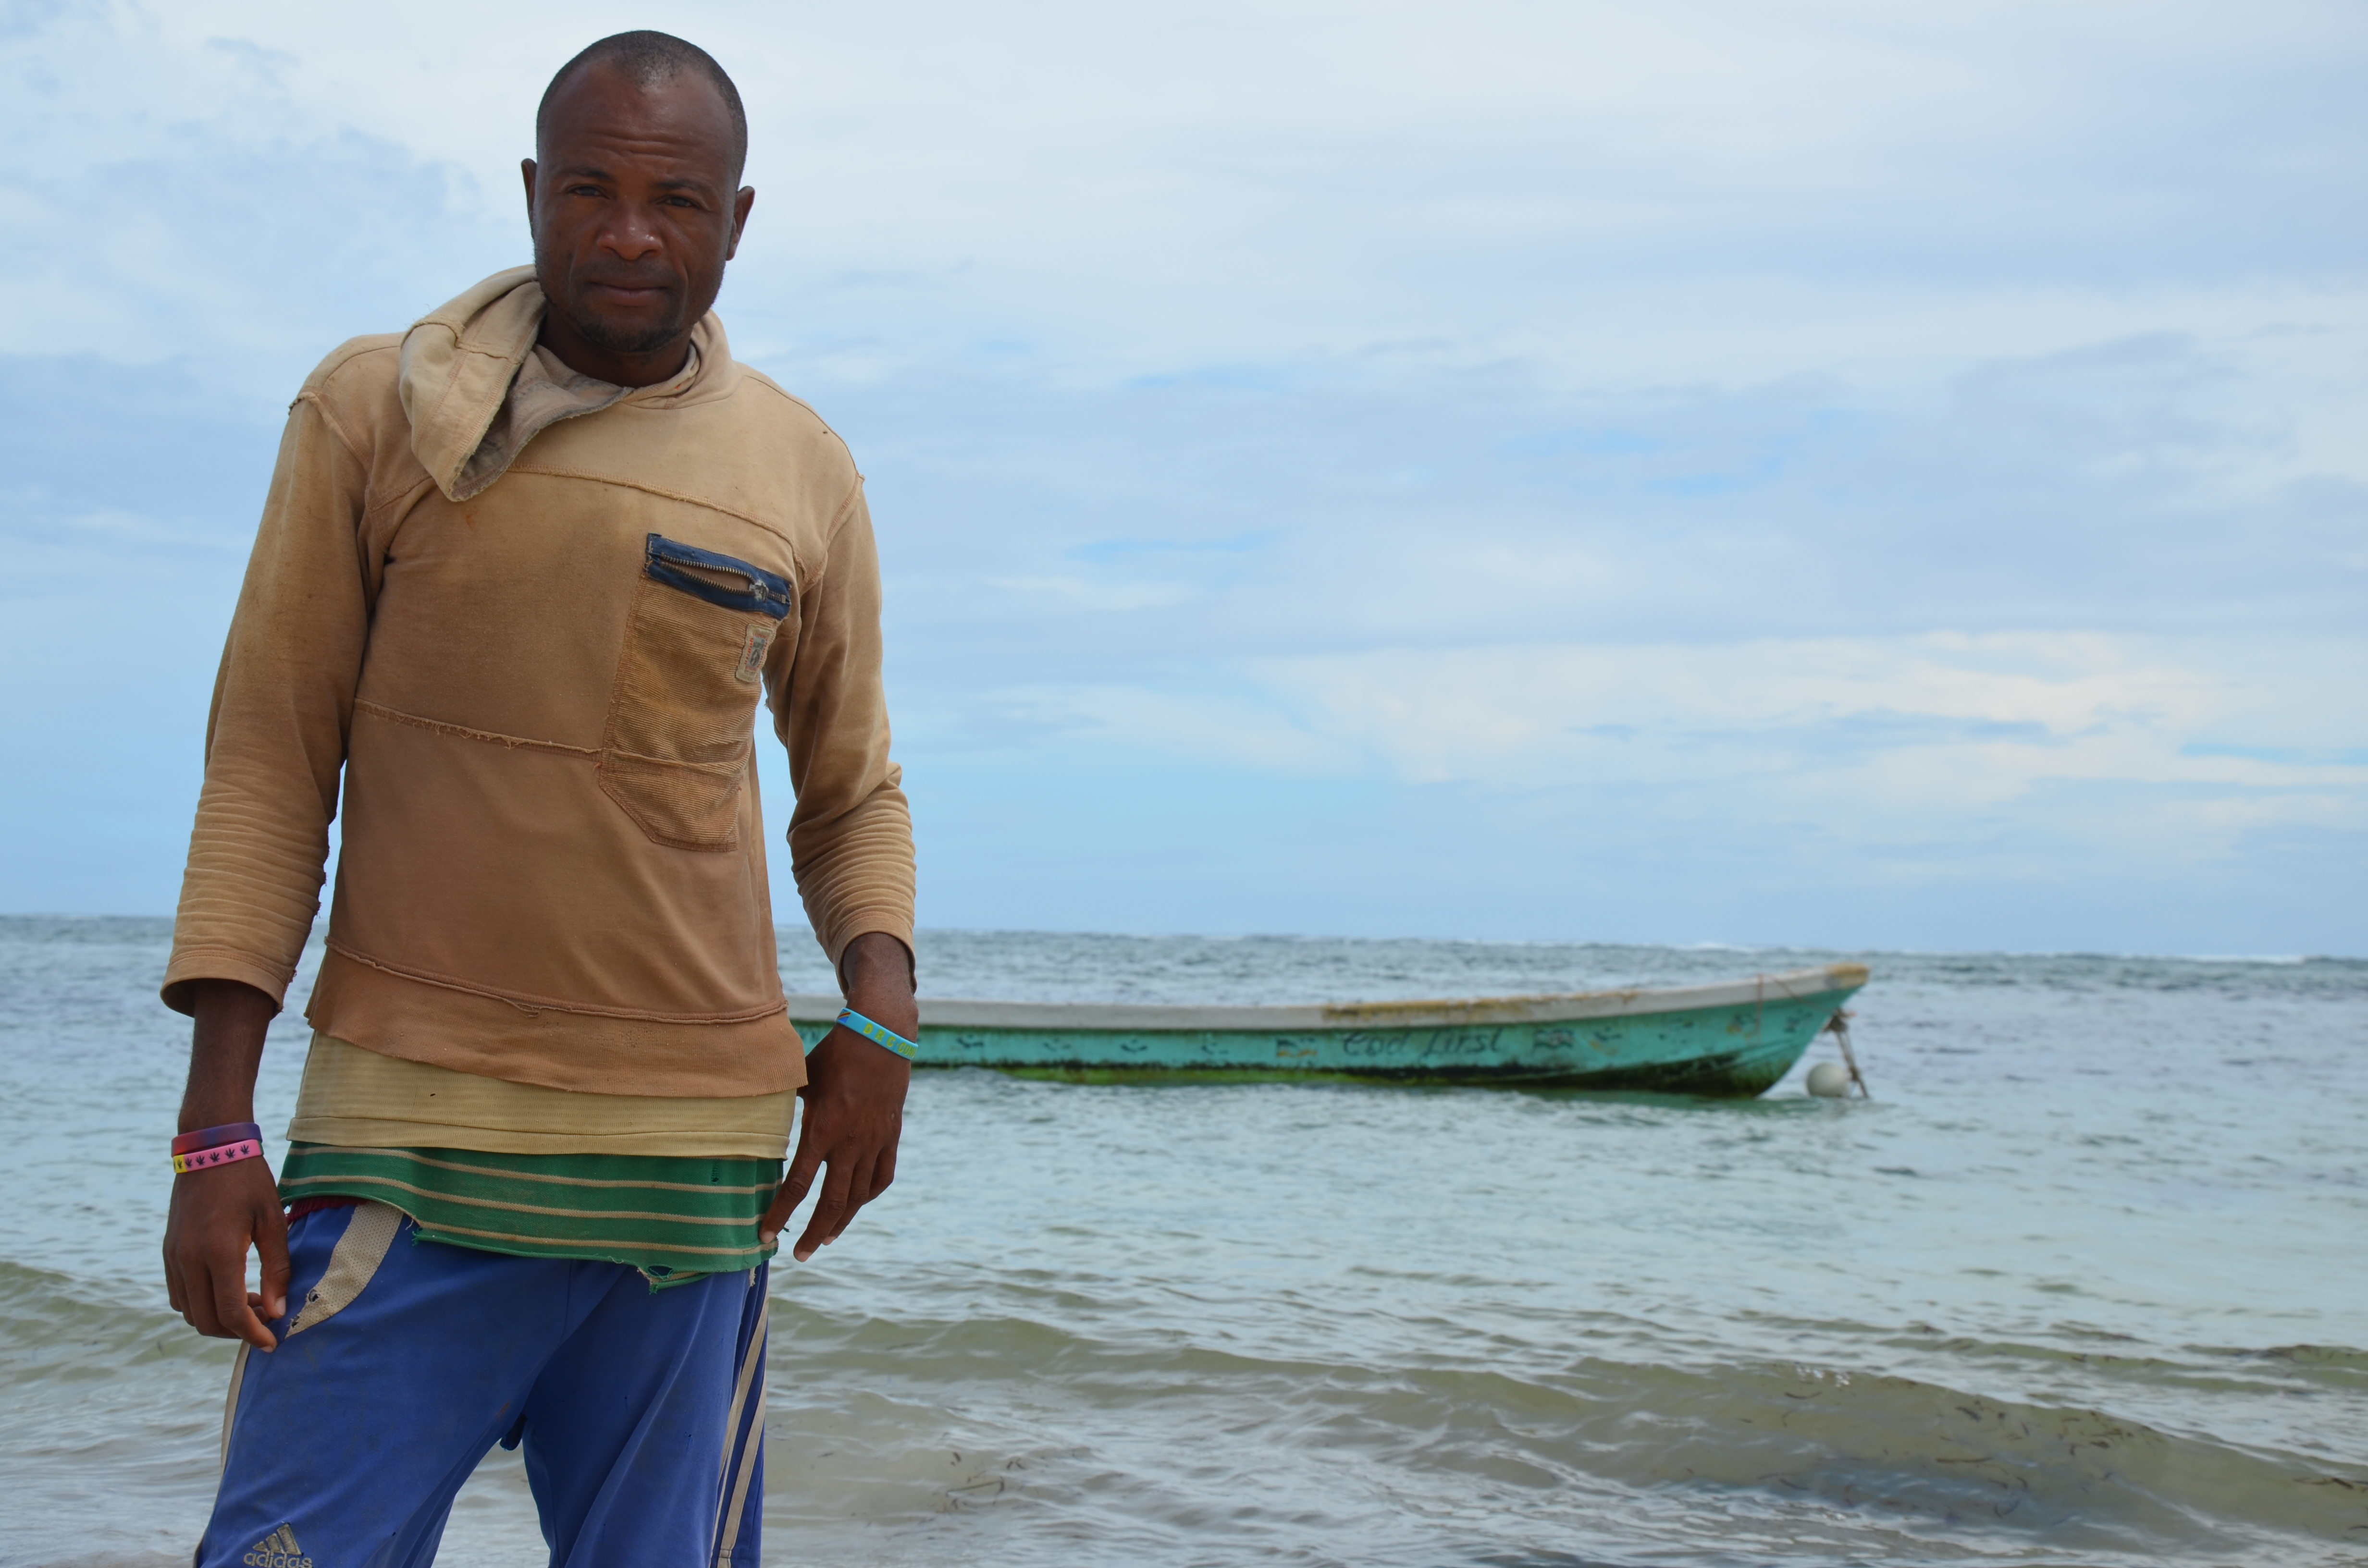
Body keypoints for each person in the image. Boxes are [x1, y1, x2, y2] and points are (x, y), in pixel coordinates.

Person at [157, 31, 918, 1568]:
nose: (630, 233)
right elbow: (268, 762)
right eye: (590, 188)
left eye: (675, 199)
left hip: (694, 1197)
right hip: (402, 1154)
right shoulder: (374, 410)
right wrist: (215, 1132)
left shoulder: (800, 469)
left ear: (738, 220)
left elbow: (851, 794)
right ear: (530, 192)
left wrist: (881, 1021)